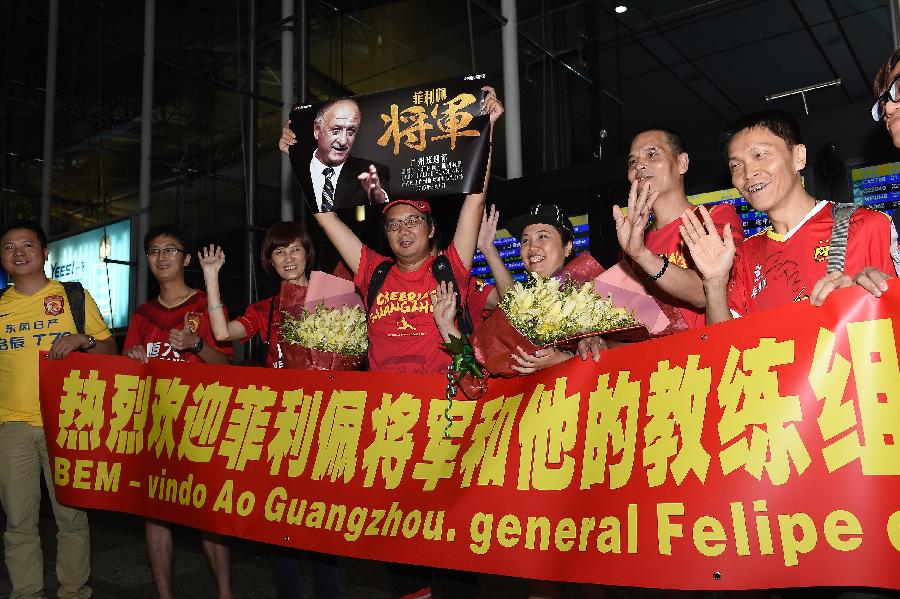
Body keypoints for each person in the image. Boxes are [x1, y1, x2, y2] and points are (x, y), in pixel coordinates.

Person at [198, 222, 342, 598]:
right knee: (280, 524)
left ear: (308, 252)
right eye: (279, 252)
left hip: (328, 426)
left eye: (295, 249)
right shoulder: (269, 307)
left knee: (323, 529)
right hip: (281, 429)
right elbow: (223, 332)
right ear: (270, 261)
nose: (288, 258)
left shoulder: (336, 294)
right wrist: (212, 276)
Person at [680, 110, 899, 325]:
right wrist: (715, 282)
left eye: (760, 155)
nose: (748, 173)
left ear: (798, 157)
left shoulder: (868, 226)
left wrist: (867, 301)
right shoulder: (744, 256)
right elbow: (725, 349)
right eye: (736, 166)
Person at [0, 219, 117, 599]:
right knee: (18, 522)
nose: (18, 253)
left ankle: (74, 591)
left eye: (27, 245)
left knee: (71, 517)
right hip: (11, 427)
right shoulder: (0, 306)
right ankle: (27, 592)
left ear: (44, 252)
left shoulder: (73, 296)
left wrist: (82, 339)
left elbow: (110, 354)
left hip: (67, 422)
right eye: (9, 247)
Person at [122, 224, 235, 599]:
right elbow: (126, 378)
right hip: (156, 428)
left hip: (204, 426)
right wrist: (133, 361)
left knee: (210, 516)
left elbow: (227, 367)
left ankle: (224, 592)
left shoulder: (206, 305)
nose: (161, 257)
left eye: (170, 250)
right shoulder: (142, 315)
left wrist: (197, 343)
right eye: (154, 251)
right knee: (156, 513)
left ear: (187, 259)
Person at [576, 128, 745, 362]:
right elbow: (641, 333)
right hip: (660, 377)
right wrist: (605, 343)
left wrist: (642, 255)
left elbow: (705, 292)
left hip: (710, 361)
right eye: (633, 161)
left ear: (682, 162)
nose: (639, 166)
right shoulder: (632, 242)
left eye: (652, 155)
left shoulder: (714, 217)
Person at [282, 97, 391, 213]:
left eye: (350, 131)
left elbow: (385, 211)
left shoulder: (371, 173)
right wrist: (290, 153)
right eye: (336, 130)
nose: (343, 141)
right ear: (317, 129)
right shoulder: (298, 168)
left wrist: (377, 199)